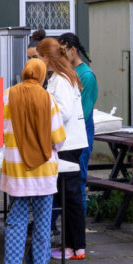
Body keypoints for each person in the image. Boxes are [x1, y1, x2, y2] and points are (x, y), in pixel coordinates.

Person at [0, 58, 65, 264]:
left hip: (17, 171)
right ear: (41, 75)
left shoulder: (7, 95)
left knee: (15, 220)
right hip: (44, 172)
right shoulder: (48, 99)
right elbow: (58, 138)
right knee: (42, 222)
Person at [37, 37, 88, 261]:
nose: (37, 61)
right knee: (70, 196)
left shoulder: (60, 79)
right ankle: (74, 246)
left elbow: (64, 112)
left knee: (70, 197)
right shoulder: (65, 76)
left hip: (67, 143)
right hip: (71, 142)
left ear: (47, 57)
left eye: (39, 57)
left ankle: (73, 247)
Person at [58, 32, 97, 214]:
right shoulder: (67, 72)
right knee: (61, 181)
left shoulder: (87, 76)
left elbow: (84, 110)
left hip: (80, 134)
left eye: (63, 52)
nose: (61, 57)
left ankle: (78, 225)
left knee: (78, 179)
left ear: (73, 50)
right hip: (65, 134)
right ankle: (54, 224)